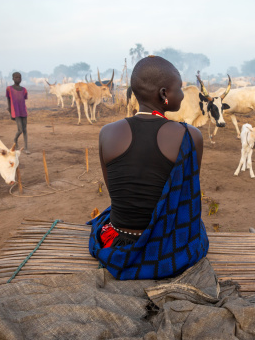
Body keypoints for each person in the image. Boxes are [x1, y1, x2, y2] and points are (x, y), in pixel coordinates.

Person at [88, 55, 208, 280]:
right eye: (179, 89)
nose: (182, 94)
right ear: (164, 94)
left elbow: (116, 194)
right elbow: (185, 194)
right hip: (164, 244)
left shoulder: (107, 132)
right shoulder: (191, 136)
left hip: (116, 238)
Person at [6, 72, 30, 154]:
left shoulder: (24, 90)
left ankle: (26, 148)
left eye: (19, 77)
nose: (18, 79)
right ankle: (15, 140)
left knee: (25, 130)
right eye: (16, 77)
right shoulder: (9, 89)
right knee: (20, 130)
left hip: (23, 111)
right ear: (13, 78)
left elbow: (24, 99)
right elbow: (8, 100)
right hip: (15, 111)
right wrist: (10, 112)